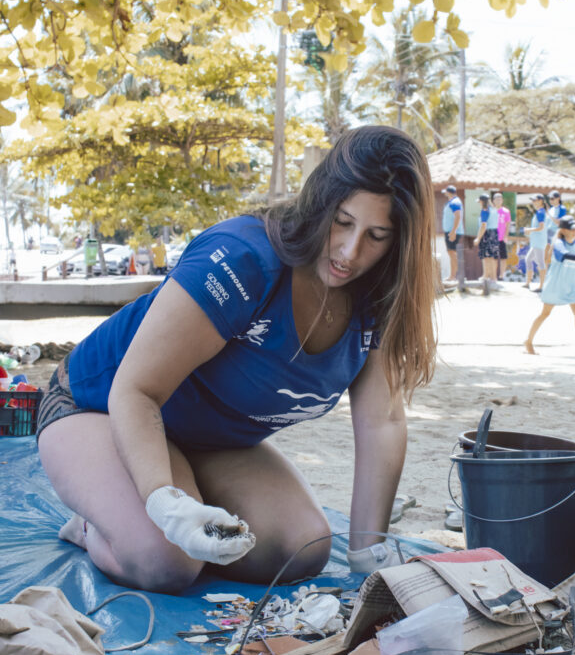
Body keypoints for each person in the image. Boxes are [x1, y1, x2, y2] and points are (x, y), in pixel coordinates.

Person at [36, 126, 437, 593]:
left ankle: (164, 499)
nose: (350, 252)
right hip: (100, 408)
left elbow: (382, 421)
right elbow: (136, 390)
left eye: (377, 235)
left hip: (206, 441)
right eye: (342, 222)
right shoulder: (241, 259)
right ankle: (96, 526)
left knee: (300, 550)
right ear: (321, 203)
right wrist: (164, 503)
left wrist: (369, 554)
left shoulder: (381, 292)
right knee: (168, 561)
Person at [524, 216, 575, 356]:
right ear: (564, 230)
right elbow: (566, 256)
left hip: (570, 285)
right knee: (545, 314)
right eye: (571, 229)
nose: (574, 231)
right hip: (555, 285)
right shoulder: (558, 244)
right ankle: (528, 341)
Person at [473, 194, 499, 294]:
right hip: (494, 233)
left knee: (486, 256)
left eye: (479, 201)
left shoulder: (485, 210)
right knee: (491, 257)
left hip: (487, 234)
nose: (479, 203)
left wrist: (478, 238)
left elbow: (483, 225)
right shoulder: (493, 209)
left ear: (482, 201)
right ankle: (489, 277)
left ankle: (490, 277)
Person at [523, 194, 548, 291]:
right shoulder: (539, 212)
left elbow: (541, 227)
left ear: (541, 201)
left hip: (539, 242)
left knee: (541, 263)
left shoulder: (540, 212)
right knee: (528, 259)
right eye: (533, 201)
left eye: (535, 200)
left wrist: (530, 229)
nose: (533, 202)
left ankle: (542, 286)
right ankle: (527, 283)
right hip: (536, 242)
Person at [441, 184, 463, 285]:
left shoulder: (455, 202)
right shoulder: (452, 202)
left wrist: (453, 231)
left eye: (446, 192)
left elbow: (458, 216)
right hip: (450, 231)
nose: (445, 194)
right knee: (451, 252)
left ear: (449, 192)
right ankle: (452, 276)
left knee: (452, 253)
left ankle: (455, 276)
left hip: (452, 232)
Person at [545, 190, 567, 267]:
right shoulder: (551, 209)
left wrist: (549, 215)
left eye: (553, 198)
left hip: (556, 233)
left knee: (554, 255)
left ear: (558, 198)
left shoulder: (562, 208)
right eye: (550, 199)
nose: (551, 200)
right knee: (546, 255)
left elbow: (558, 222)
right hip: (548, 233)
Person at [492, 192, 511, 279]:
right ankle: (493, 275)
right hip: (493, 237)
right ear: (493, 201)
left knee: (503, 257)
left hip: (502, 238)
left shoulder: (506, 212)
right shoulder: (492, 210)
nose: (498, 201)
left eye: (500, 199)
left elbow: (508, 224)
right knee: (494, 258)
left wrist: (505, 236)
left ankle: (501, 275)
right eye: (497, 199)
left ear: (502, 200)